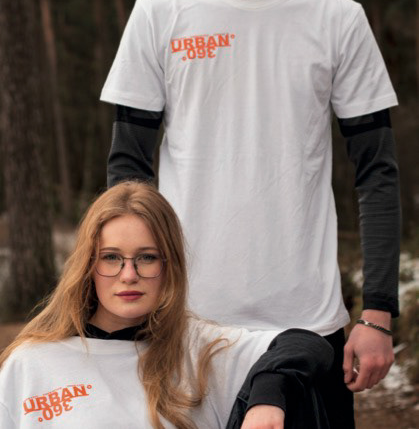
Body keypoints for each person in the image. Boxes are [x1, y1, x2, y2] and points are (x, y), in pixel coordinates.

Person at [100, 0, 401, 426]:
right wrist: (130, 295)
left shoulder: (339, 18)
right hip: (185, 327)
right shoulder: (159, 12)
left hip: (309, 326)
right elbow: (127, 176)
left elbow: (378, 174)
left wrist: (379, 313)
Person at [0, 182, 333, 429]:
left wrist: (268, 395)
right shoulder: (31, 362)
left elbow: (306, 344)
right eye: (111, 257)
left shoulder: (201, 348)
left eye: (146, 257)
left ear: (169, 265)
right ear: (88, 265)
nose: (128, 275)